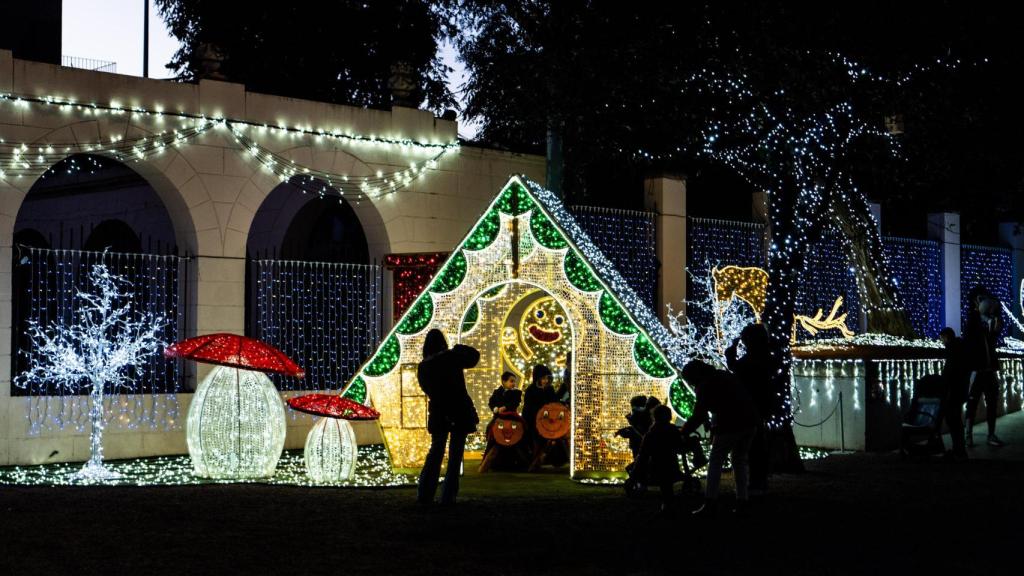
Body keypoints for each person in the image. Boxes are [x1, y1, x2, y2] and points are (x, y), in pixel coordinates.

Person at [680, 359, 759, 517]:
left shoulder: (704, 385)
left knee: (716, 460)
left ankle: (710, 502)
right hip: (750, 422)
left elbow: (699, 414)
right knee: (739, 460)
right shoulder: (723, 375)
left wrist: (683, 431)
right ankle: (742, 499)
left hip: (731, 424)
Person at [416, 329, 480, 506]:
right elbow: (474, 357)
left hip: (439, 412)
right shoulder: (451, 357)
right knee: (455, 455)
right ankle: (448, 496)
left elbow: (427, 390)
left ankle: (425, 494)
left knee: (436, 452)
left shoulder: (424, 366)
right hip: (459, 410)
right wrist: (458, 348)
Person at [725, 323, 774, 494]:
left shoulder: (754, 358)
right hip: (760, 406)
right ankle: (758, 481)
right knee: (756, 445)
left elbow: (739, 370)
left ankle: (756, 482)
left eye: (746, 339)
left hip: (752, 406)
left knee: (753, 446)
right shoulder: (765, 356)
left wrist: (730, 356)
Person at [963, 288, 1006, 447]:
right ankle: (968, 436)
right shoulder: (973, 321)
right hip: (977, 370)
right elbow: (970, 342)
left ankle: (991, 434)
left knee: (992, 403)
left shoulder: (989, 320)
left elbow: (994, 338)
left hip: (989, 370)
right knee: (972, 402)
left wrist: (992, 324)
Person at [634, 404, 685, 513]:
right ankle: (668, 505)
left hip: (656, 465)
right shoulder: (672, 429)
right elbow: (680, 446)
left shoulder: (651, 432)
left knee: (665, 485)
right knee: (667, 485)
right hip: (670, 463)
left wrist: (636, 471)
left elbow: (643, 453)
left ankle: (667, 505)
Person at [479, 372, 525, 472]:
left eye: (514, 381)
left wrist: (505, 407)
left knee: (521, 431)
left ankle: (521, 460)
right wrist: (495, 408)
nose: (513, 384)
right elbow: (491, 402)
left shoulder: (517, 393)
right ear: (504, 381)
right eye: (511, 381)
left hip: (511, 417)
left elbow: (515, 403)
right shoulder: (497, 392)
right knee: (491, 429)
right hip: (499, 418)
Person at [939, 327, 970, 459]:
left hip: (953, 390)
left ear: (946, 337)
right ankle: (959, 448)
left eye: (942, 339)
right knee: (956, 419)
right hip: (960, 389)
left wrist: (945, 384)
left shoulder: (952, 350)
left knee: (953, 419)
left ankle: (958, 449)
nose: (942, 342)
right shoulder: (961, 348)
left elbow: (950, 371)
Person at [522, 364, 558, 471]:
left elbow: (554, 402)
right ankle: (535, 461)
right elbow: (528, 407)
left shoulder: (549, 389)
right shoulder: (531, 390)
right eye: (543, 378)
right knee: (536, 439)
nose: (545, 381)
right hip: (534, 420)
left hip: (549, 420)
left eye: (547, 378)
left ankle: (547, 459)